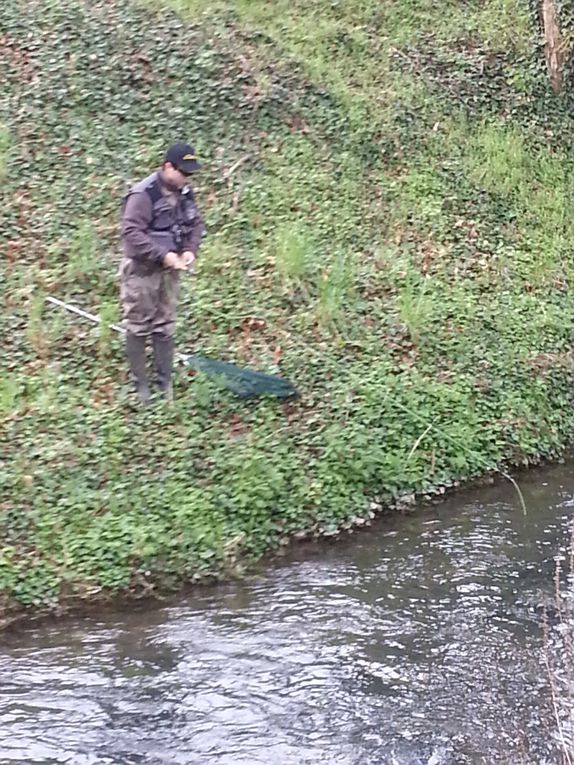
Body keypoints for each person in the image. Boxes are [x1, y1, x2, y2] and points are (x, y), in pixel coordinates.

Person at [119, 142, 204, 404]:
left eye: (190, 174)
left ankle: (164, 379)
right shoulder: (143, 194)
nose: (187, 178)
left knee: (165, 325)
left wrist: (189, 249)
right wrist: (164, 255)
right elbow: (131, 233)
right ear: (168, 167)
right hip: (142, 271)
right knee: (138, 324)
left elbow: (195, 223)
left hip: (170, 272)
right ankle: (140, 384)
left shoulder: (184, 192)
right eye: (183, 172)